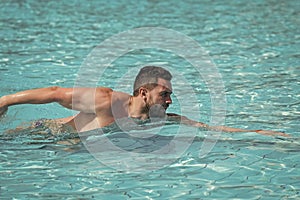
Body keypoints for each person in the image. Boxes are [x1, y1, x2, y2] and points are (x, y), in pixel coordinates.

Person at [0, 66, 289, 137]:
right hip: (43, 133)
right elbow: (54, 92)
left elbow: (208, 128)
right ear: (143, 93)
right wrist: (5, 101)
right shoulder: (106, 99)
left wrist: (255, 134)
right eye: (165, 94)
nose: (170, 100)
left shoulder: (160, 119)